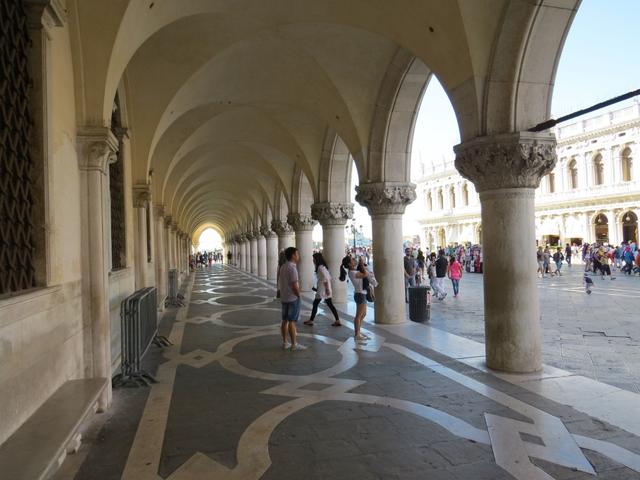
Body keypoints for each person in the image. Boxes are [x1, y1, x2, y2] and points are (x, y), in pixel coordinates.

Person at [278, 247, 306, 351]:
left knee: (284, 320)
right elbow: (294, 285)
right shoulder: (292, 268)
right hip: (293, 298)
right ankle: (294, 344)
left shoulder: (283, 266)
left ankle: (285, 342)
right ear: (293, 255)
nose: (298, 256)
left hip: (284, 297)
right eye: (297, 254)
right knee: (292, 321)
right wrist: (298, 295)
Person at [304, 252, 341, 327]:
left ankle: (311, 320)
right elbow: (327, 278)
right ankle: (337, 320)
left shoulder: (320, 267)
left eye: (314, 259)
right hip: (323, 288)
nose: (313, 260)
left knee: (316, 303)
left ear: (317, 259)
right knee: (329, 304)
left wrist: (327, 289)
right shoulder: (322, 267)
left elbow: (326, 278)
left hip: (323, 289)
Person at [340, 255, 369, 343]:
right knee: (359, 315)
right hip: (360, 294)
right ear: (349, 264)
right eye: (352, 260)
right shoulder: (352, 272)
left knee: (363, 314)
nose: (354, 260)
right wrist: (361, 264)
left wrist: (361, 264)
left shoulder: (353, 271)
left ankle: (358, 331)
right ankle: (357, 334)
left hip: (361, 293)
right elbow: (365, 274)